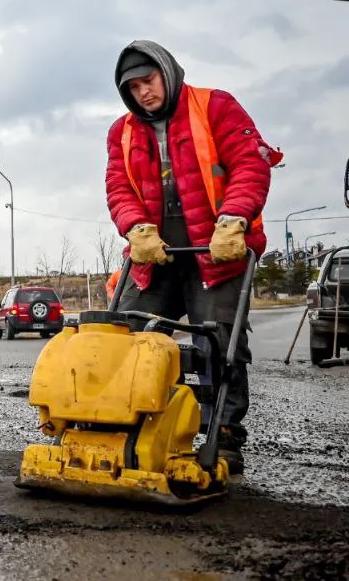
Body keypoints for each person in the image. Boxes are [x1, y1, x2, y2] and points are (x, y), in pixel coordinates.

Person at [105, 40, 281, 476]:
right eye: (134, 88)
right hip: (155, 252)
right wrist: (136, 228)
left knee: (219, 342)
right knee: (125, 335)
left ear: (167, 71)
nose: (144, 92)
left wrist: (235, 219)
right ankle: (125, 426)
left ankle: (222, 433)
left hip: (217, 246)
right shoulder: (121, 131)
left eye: (149, 81)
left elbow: (250, 163)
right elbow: (118, 188)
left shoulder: (215, 106)